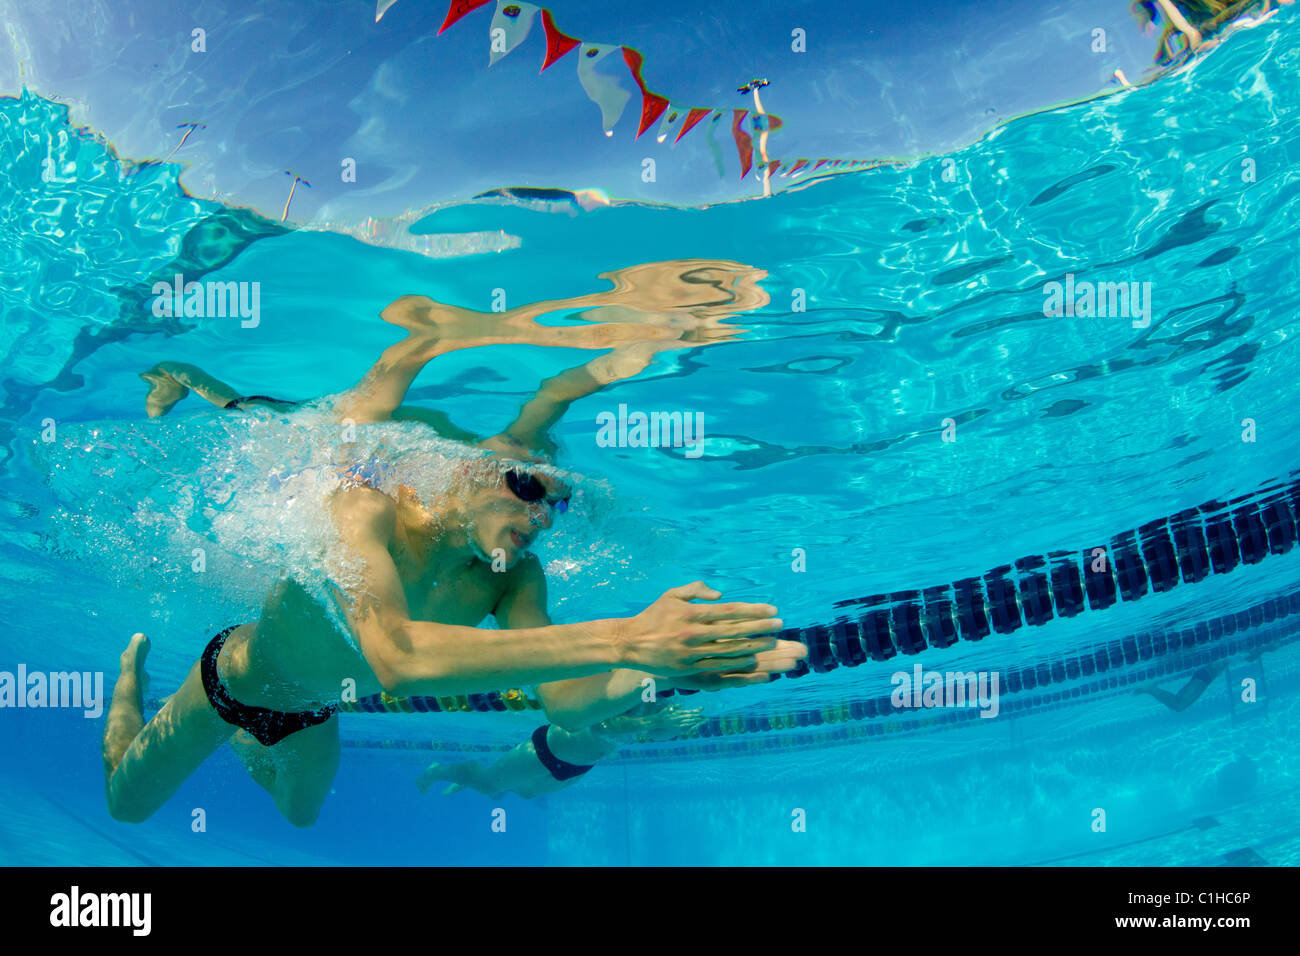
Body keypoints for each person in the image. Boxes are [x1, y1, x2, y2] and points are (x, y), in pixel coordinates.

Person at [103, 259, 807, 827]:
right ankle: (132, 675)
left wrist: (664, 671)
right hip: (233, 679)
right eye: (531, 491)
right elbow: (396, 655)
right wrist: (627, 640)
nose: (542, 519)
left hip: (311, 708)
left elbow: (565, 702)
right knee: (125, 807)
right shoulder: (364, 506)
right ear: (469, 471)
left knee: (300, 818)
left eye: (558, 506)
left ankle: (255, 749)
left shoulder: (513, 578)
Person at [415, 698, 704, 799]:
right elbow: (602, 726)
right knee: (491, 786)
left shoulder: (662, 700)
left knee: (526, 793)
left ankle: (479, 779)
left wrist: (674, 726)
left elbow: (652, 732)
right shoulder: (635, 688)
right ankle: (439, 772)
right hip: (547, 751)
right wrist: (653, 722)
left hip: (578, 766)